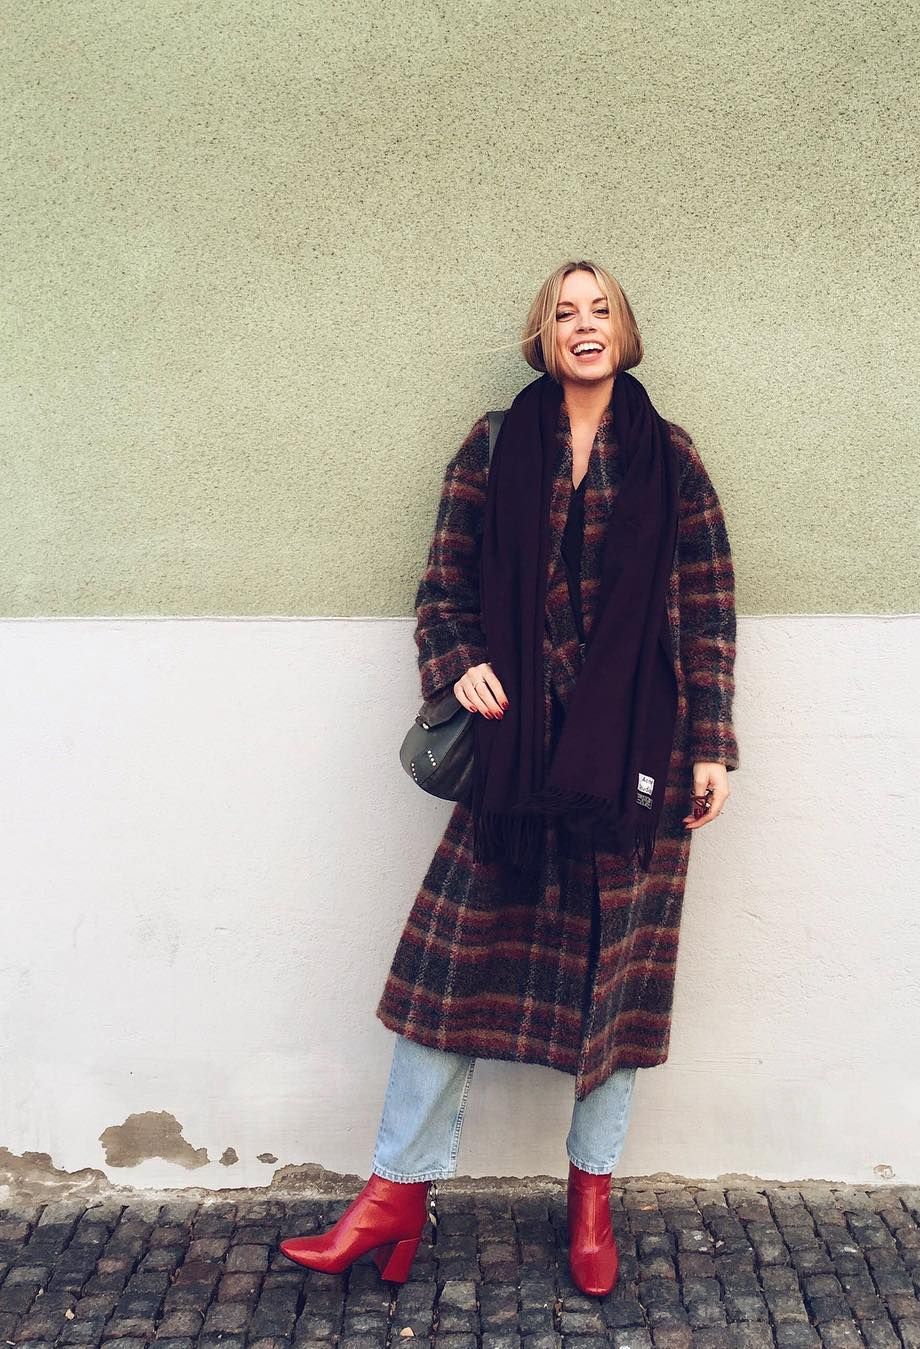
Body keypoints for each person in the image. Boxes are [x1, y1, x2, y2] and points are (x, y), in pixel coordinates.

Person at [279, 260, 740, 1298]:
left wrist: (712, 742)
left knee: (617, 992)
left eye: (601, 309)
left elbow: (707, 608)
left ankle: (591, 1202)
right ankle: (393, 1195)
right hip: (518, 758)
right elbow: (442, 586)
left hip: (635, 763)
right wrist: (459, 662)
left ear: (624, 330)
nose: (585, 324)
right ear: (544, 336)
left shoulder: (671, 457)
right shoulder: (493, 446)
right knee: (445, 975)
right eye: (565, 312)